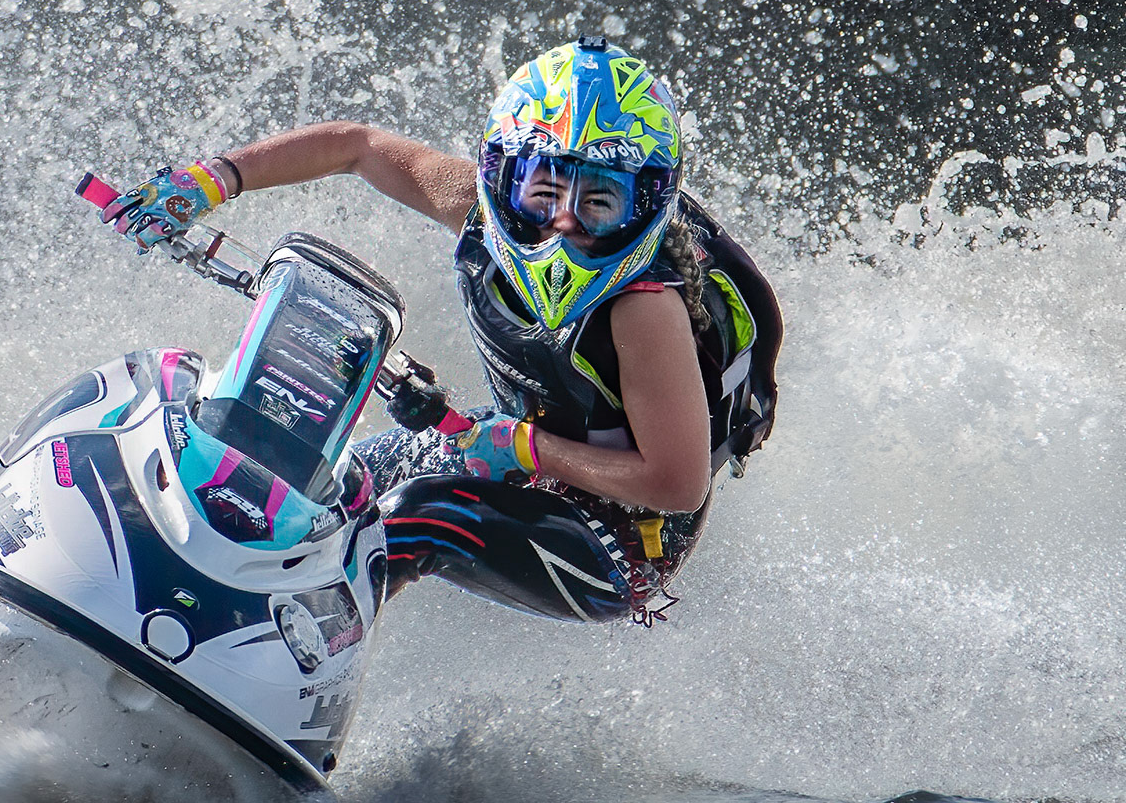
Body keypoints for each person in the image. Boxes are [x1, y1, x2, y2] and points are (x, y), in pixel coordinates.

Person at [98, 37, 780, 626]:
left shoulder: (644, 308)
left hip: (622, 542)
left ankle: (287, 662)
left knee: (420, 516)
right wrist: (216, 179)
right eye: (544, 190)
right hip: (518, 453)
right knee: (330, 481)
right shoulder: (475, 207)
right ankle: (172, 586)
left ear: (647, 202)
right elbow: (357, 147)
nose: (563, 223)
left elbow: (676, 484)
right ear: (501, 174)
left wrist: (524, 447)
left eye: (600, 200)